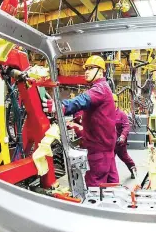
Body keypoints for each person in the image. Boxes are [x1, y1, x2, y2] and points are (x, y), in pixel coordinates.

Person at [42, 55, 118, 187]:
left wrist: (59, 107)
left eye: (90, 68)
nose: (86, 71)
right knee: (112, 184)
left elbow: (82, 100)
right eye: (85, 69)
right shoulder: (103, 88)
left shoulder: (100, 89)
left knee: (94, 188)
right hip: (106, 148)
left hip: (98, 150)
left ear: (100, 71)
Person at [112, 94, 137, 179]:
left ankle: (133, 170)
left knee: (125, 157)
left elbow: (126, 126)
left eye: (115, 102)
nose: (113, 104)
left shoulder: (121, 114)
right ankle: (111, 179)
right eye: (111, 102)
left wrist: (122, 136)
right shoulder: (106, 114)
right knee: (110, 160)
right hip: (111, 143)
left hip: (120, 142)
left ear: (117, 103)